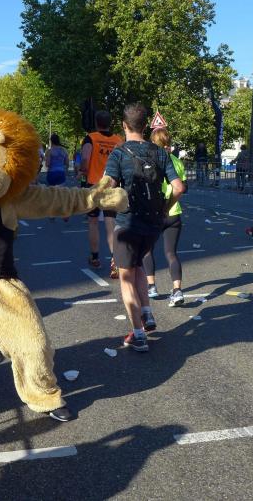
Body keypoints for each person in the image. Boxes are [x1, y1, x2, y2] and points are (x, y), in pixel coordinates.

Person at [104, 104, 184, 352]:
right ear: (145, 125)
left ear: (124, 125)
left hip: (128, 224)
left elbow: (108, 185)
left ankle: (138, 334)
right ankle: (147, 312)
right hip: (153, 224)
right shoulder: (160, 153)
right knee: (138, 267)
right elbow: (179, 187)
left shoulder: (119, 153)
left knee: (126, 279)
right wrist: (164, 208)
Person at [142, 128, 187, 307]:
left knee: (147, 250)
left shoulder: (149, 161)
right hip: (173, 212)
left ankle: (151, 286)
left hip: (155, 211)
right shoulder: (177, 162)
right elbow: (182, 187)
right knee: (171, 253)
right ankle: (177, 290)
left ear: (153, 143)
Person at [80, 110, 124, 277]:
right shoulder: (118, 140)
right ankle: (115, 260)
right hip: (111, 184)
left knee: (92, 222)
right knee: (110, 222)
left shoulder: (90, 138)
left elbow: (85, 159)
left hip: (94, 185)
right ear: (110, 123)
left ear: (96, 123)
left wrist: (82, 171)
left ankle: (95, 257)